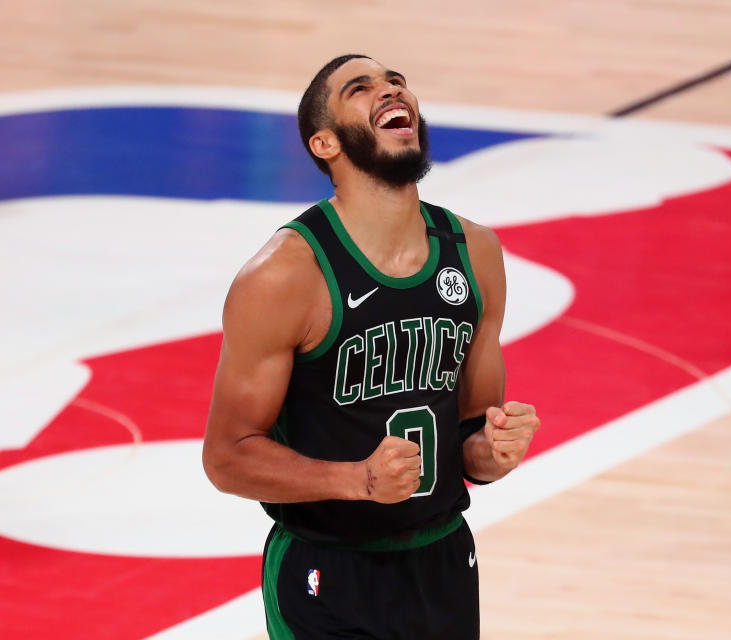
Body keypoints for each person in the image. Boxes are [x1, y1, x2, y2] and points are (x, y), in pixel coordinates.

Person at [202, 53, 541, 639]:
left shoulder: (475, 252)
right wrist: (356, 480)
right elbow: (227, 456)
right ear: (326, 144)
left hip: (443, 561)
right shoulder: (286, 274)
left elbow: (467, 441)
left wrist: (496, 449)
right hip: (327, 572)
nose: (391, 92)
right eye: (361, 89)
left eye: (397, 83)